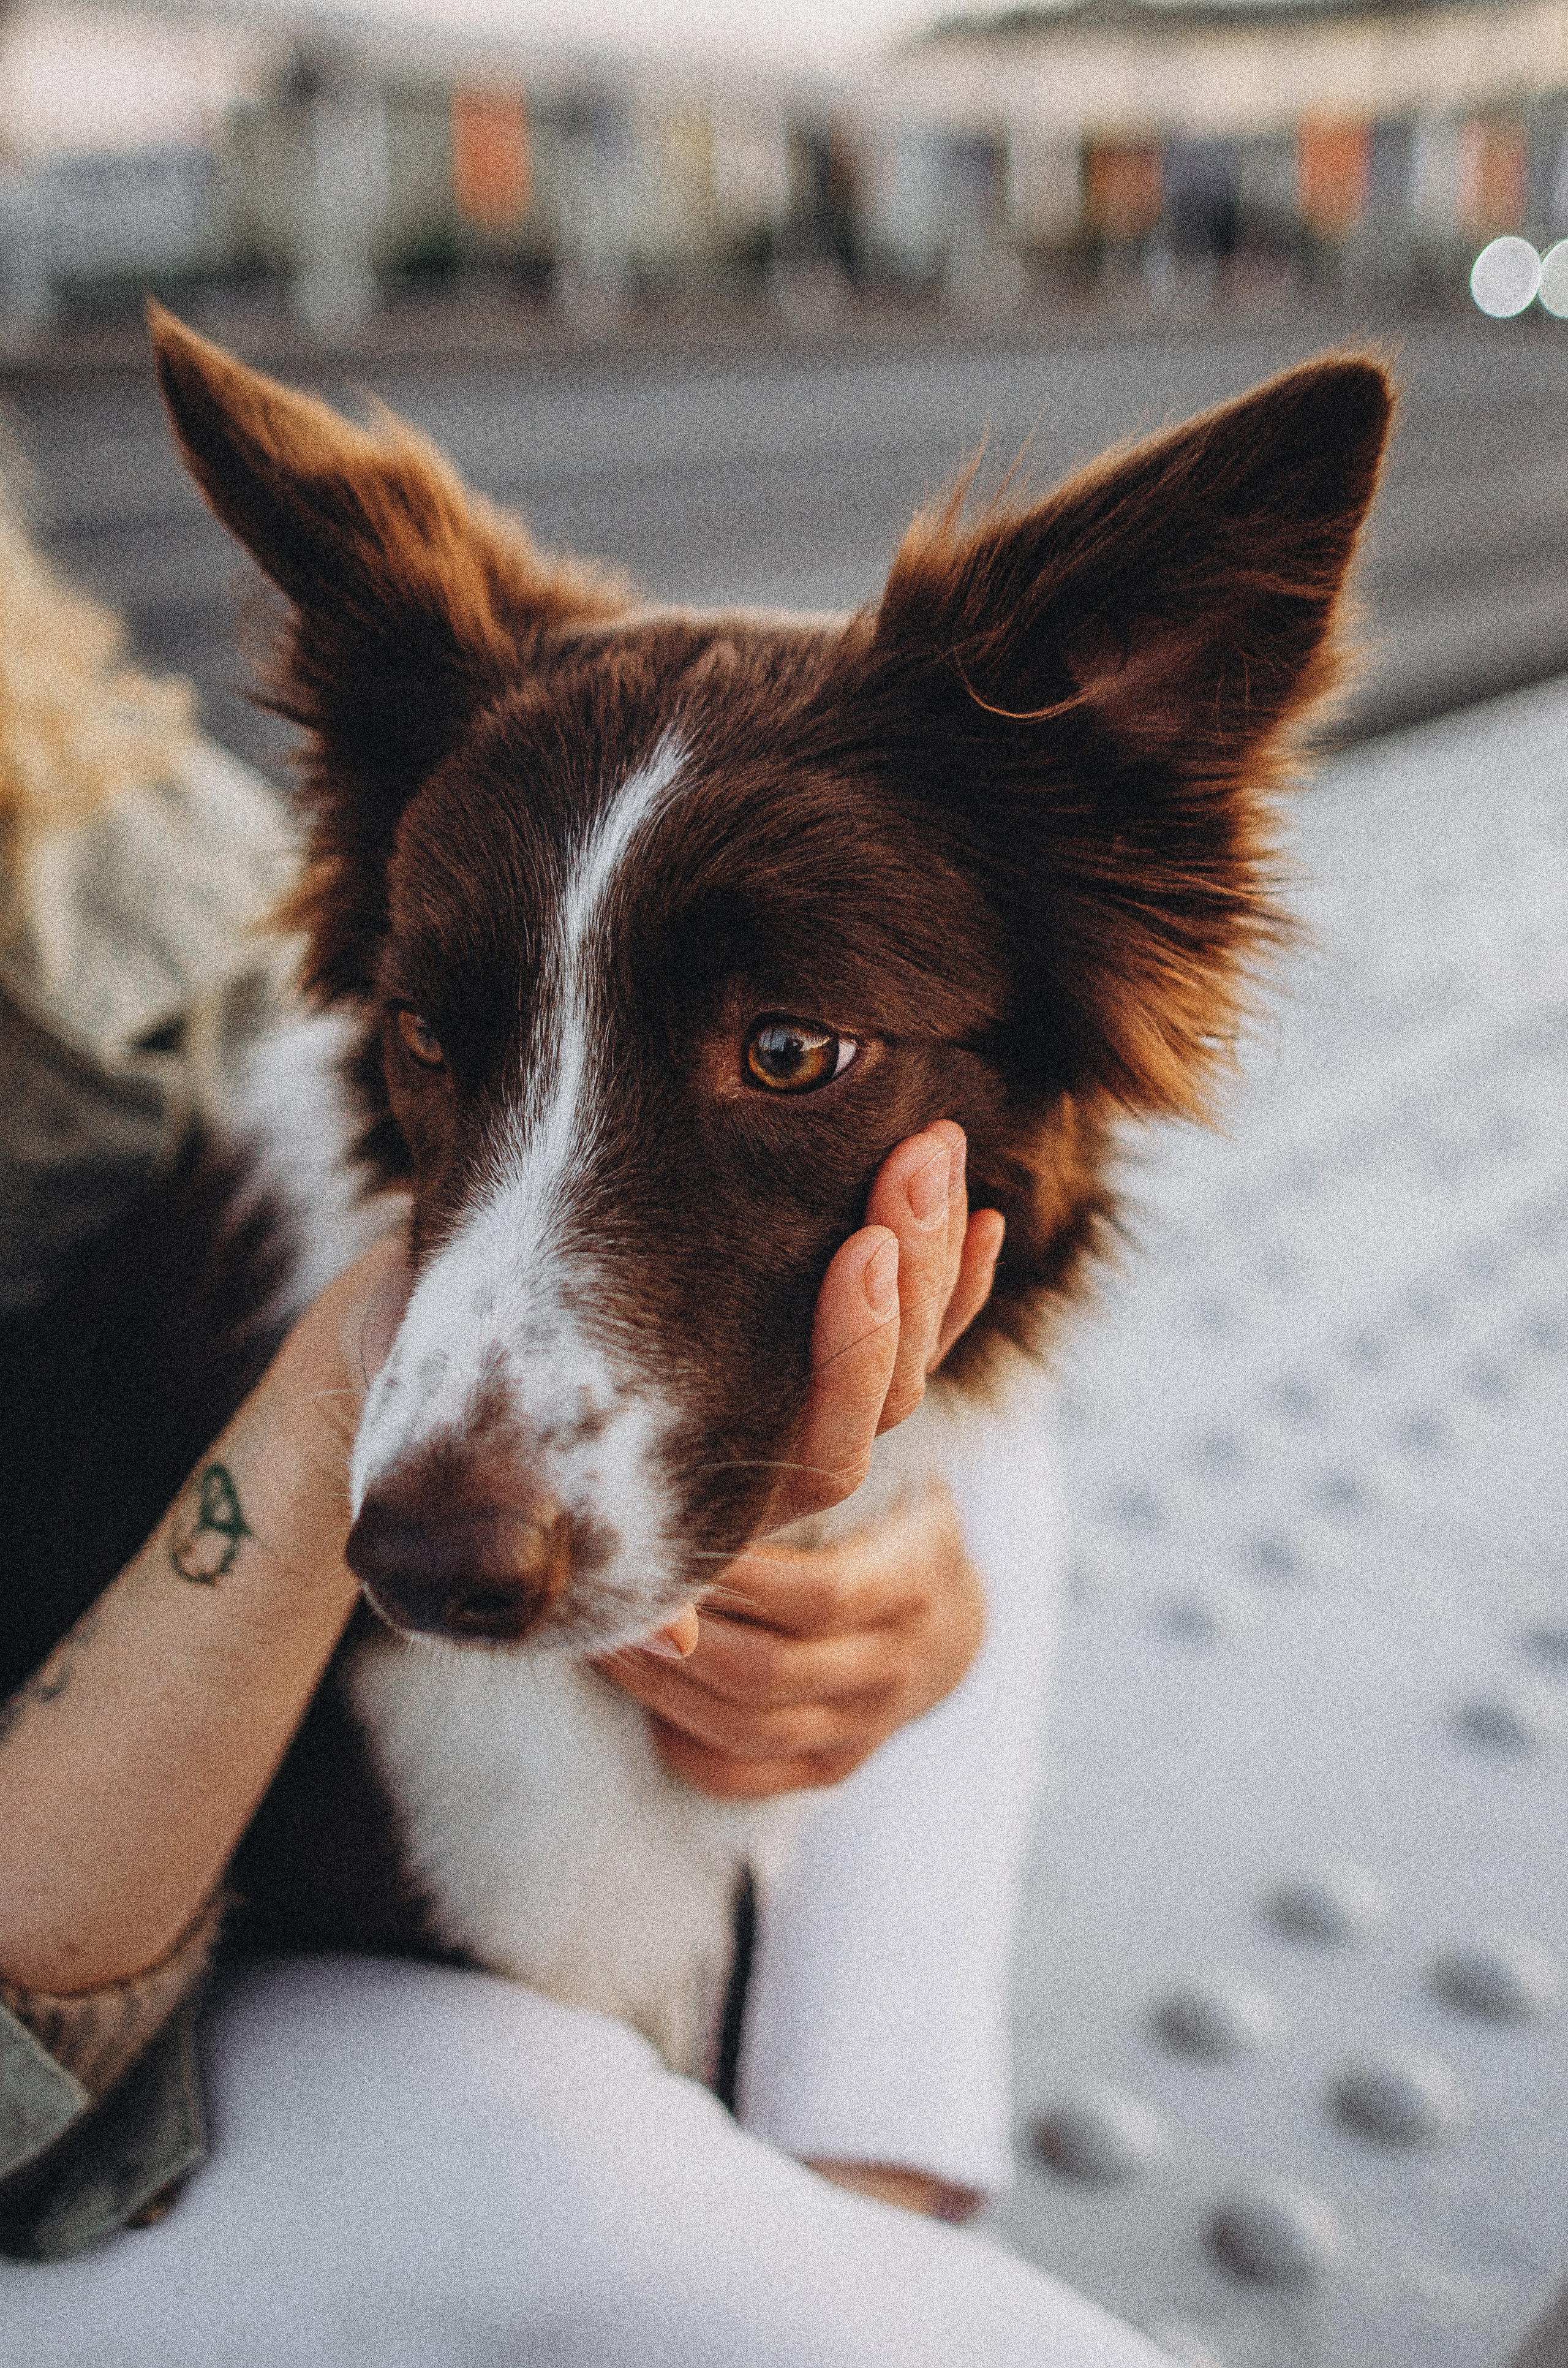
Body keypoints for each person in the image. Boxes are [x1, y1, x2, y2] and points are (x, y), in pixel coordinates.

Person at [0, 464, 1169, 2362]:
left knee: (947, 1350)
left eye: (787, 1045)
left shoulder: (106, 805)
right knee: (567, 2181)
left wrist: (918, 1615)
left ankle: (858, 2192)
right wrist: (337, 1413)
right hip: (101, 1992)